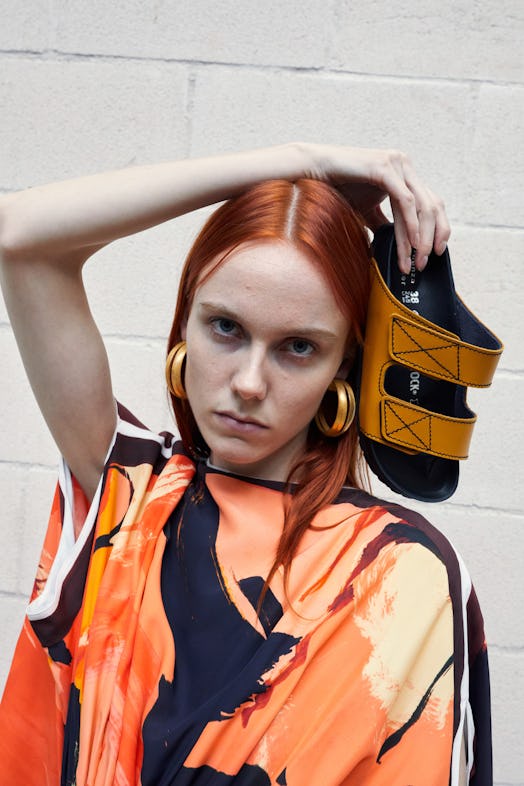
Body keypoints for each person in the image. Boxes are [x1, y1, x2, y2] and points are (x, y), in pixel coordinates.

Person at [0, 143, 490, 786]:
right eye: (226, 328)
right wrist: (296, 160)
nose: (250, 382)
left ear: (344, 364)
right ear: (184, 327)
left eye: (297, 347)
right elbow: (20, 237)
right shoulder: (131, 497)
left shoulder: (400, 570)